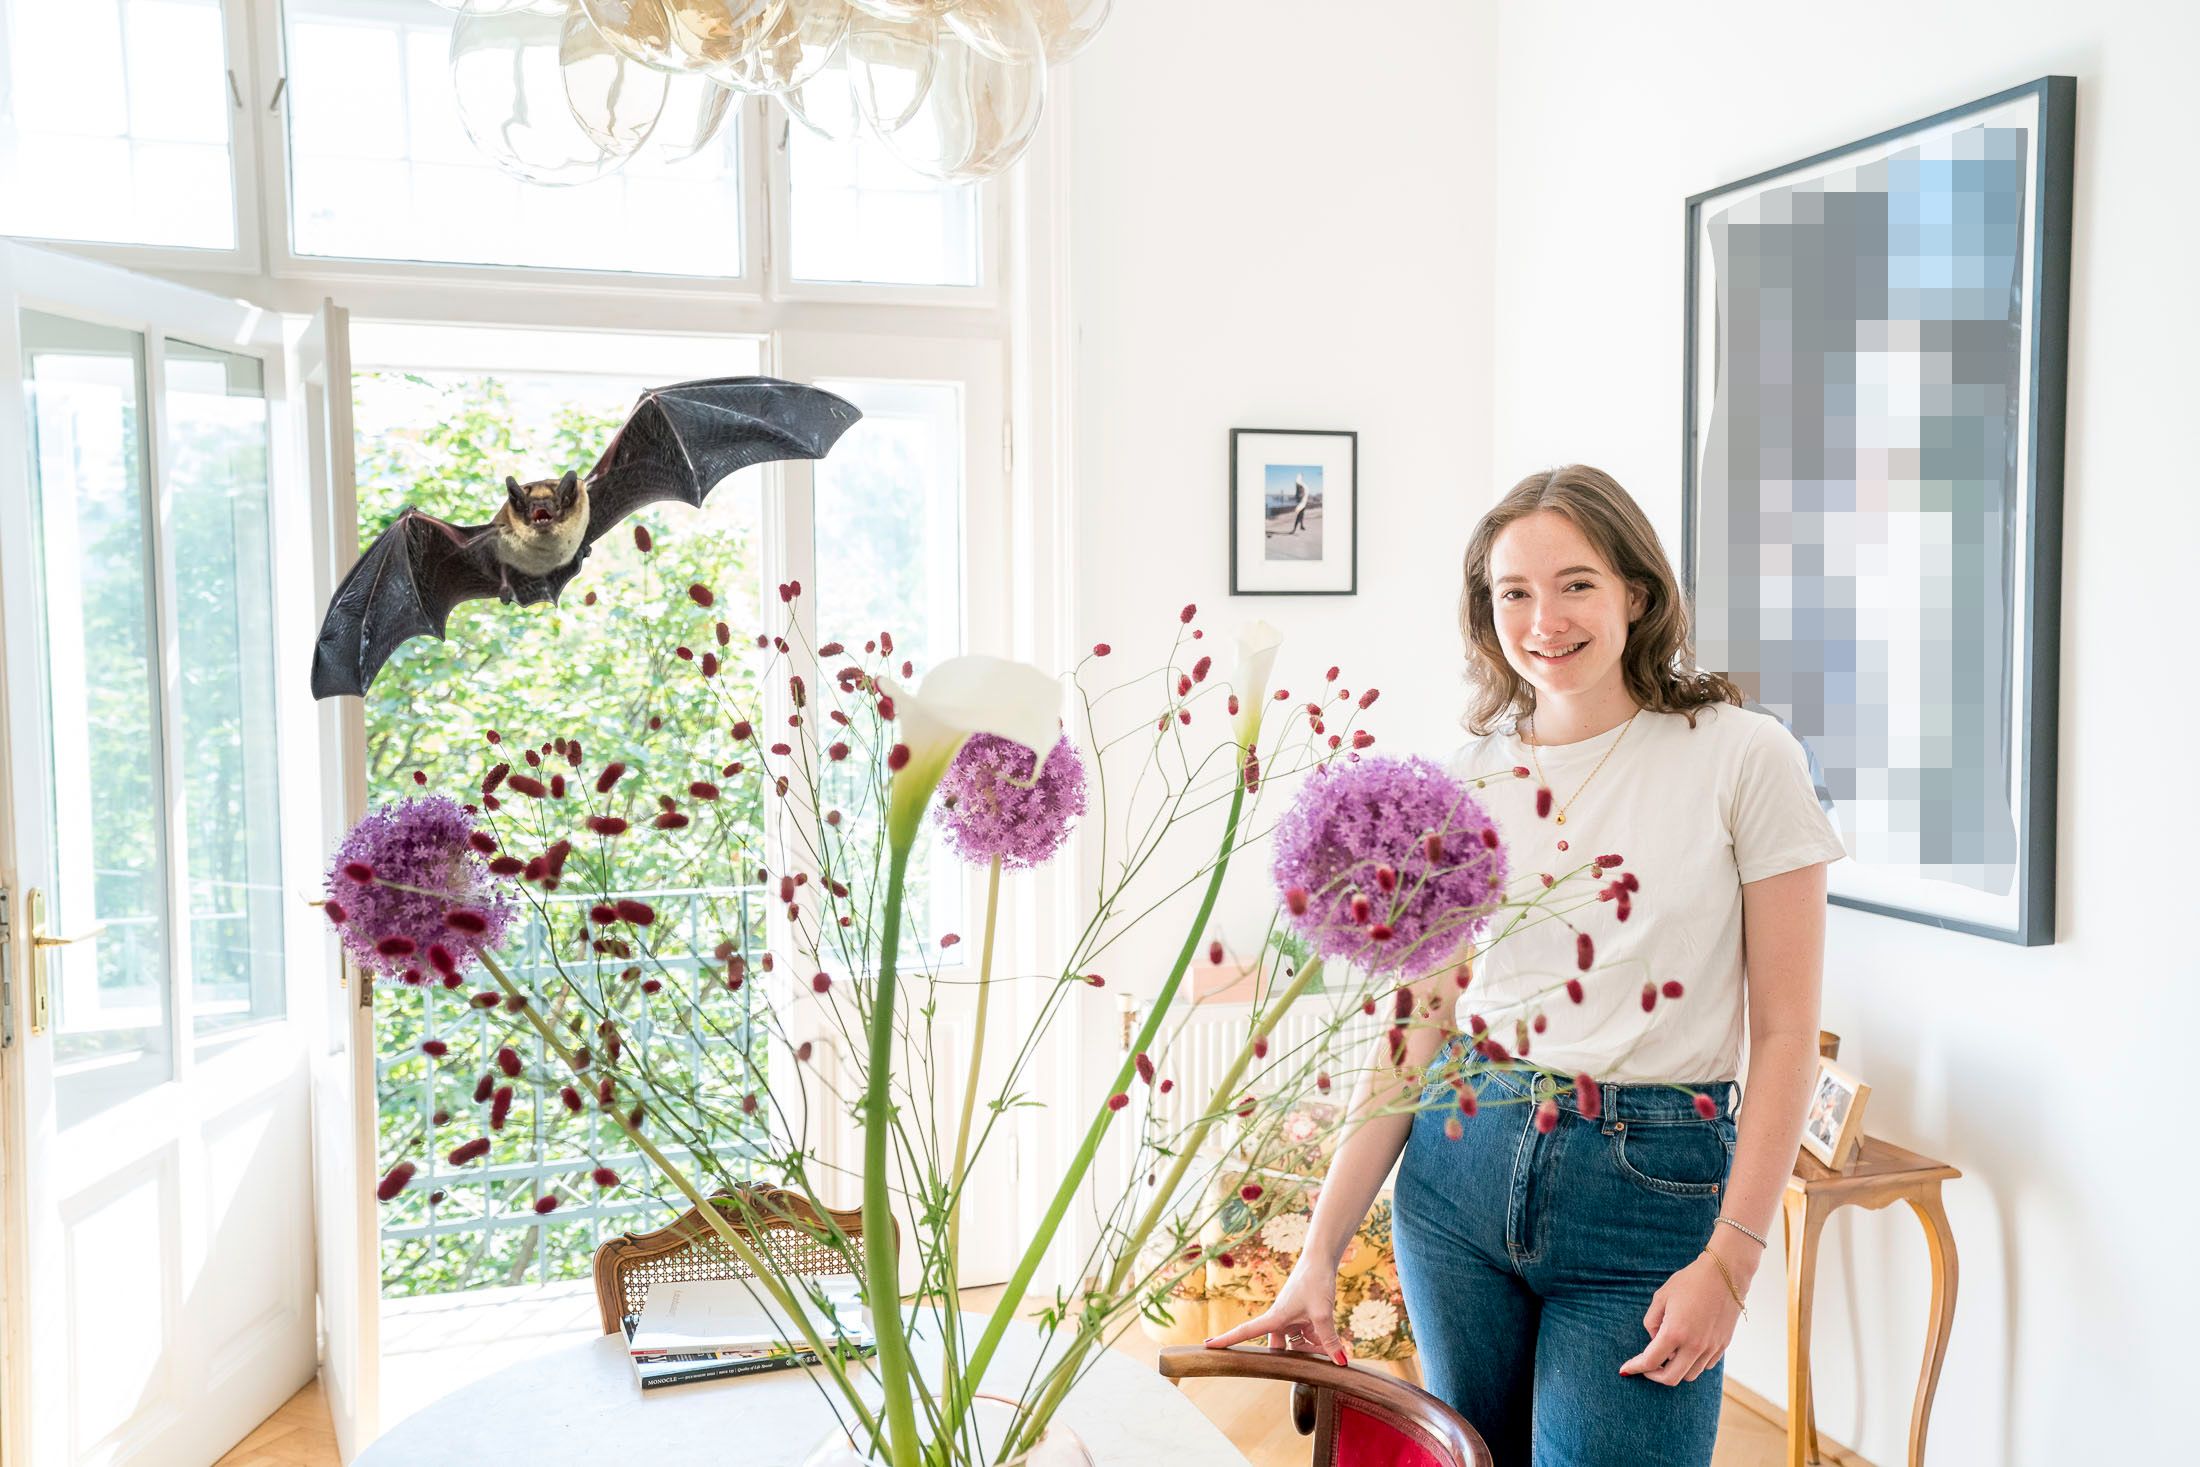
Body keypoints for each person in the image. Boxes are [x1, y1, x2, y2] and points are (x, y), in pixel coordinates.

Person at [1206, 464, 1846, 1466]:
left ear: (1636, 592)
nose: (1544, 616)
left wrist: (1732, 1260)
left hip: (1649, 1191)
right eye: (1513, 592)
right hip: (1457, 1174)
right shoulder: (1471, 778)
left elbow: (1782, 1037)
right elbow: (1416, 1028)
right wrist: (1318, 1252)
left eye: (1576, 583)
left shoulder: (1742, 757)